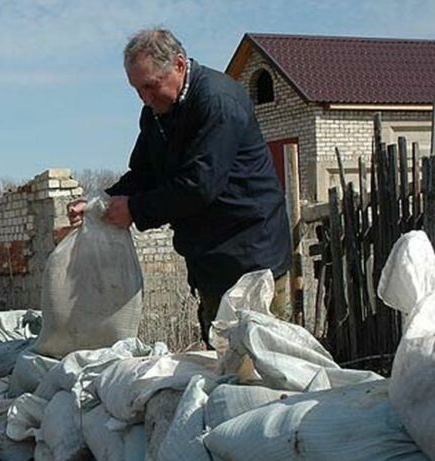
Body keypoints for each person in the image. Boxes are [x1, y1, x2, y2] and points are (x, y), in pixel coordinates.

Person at [69, 28, 292, 345]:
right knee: (223, 362)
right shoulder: (157, 113)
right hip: (211, 259)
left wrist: (135, 210)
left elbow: (200, 185)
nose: (145, 98)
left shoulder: (217, 101)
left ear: (178, 64)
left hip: (251, 257)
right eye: (137, 90)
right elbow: (145, 173)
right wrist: (100, 203)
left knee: (266, 361)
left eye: (150, 86)